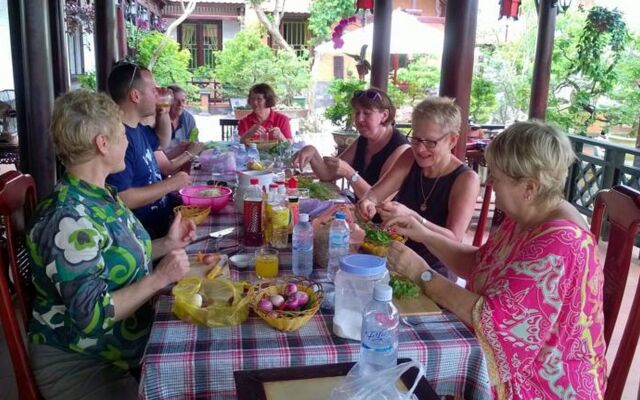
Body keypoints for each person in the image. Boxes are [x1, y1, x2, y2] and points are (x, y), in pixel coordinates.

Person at [384, 121, 606, 399]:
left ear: (529, 187)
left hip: (542, 383)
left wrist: (422, 274)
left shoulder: (561, 242)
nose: (490, 183)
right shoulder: (529, 215)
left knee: (398, 365)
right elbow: (478, 263)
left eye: (497, 177)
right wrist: (424, 233)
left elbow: (494, 321)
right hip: (514, 360)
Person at [27, 90, 194, 400]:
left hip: (120, 349)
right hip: (84, 363)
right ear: (102, 144)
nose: (128, 142)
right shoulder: (68, 219)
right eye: (121, 135)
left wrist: (167, 243)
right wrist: (159, 278)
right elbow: (92, 314)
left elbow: (117, 258)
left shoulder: (98, 194)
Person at [356, 97, 479, 279]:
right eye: (415, 139)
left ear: (452, 140)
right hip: (393, 257)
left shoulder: (466, 179)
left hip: (433, 272)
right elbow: (374, 194)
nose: (420, 149)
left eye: (430, 142)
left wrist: (414, 217)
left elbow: (454, 239)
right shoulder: (409, 156)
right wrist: (368, 202)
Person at [105, 62, 192, 238]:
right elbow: (123, 197)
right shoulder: (119, 139)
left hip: (164, 226)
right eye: (153, 90)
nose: (158, 94)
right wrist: (170, 184)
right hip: (143, 240)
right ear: (135, 96)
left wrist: (163, 112)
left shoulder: (137, 128)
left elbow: (163, 141)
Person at [292, 87, 411, 200]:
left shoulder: (401, 149)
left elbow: (378, 202)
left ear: (384, 115)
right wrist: (312, 152)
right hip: (358, 213)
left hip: (382, 221)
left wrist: (350, 173)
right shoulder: (364, 140)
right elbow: (328, 174)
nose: (359, 119)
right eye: (357, 113)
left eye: (367, 113)